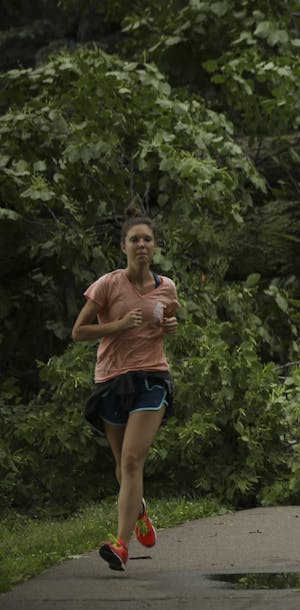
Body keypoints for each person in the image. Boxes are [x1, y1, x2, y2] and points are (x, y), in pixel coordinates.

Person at [72, 205, 180, 572]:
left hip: (152, 377)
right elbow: (79, 332)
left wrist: (169, 327)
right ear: (124, 247)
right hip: (112, 380)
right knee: (122, 467)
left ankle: (120, 546)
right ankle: (140, 510)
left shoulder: (166, 287)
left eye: (147, 239)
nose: (141, 245)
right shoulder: (107, 285)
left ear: (155, 247)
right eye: (134, 239)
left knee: (133, 459)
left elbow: (167, 317)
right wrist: (117, 325)